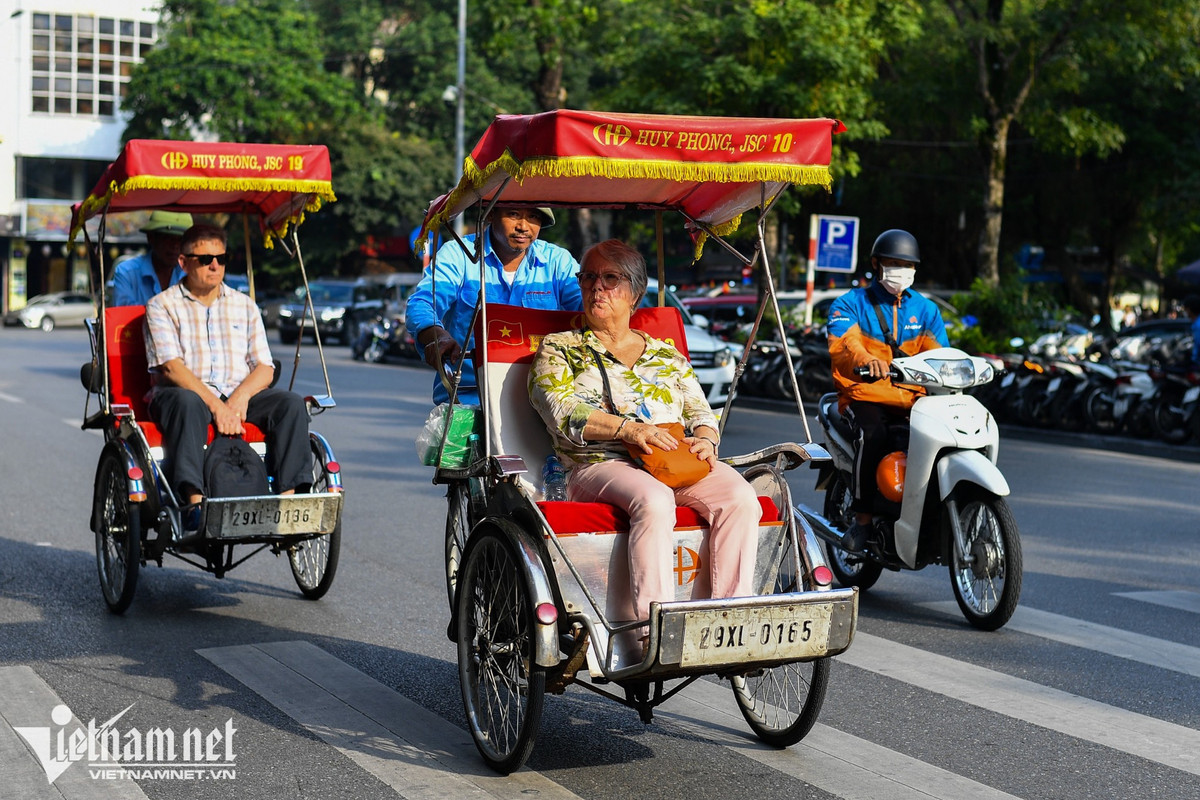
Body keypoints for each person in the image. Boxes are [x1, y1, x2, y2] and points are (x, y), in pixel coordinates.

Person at [528, 239, 761, 638]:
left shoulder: (666, 354)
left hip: (672, 458)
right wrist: (630, 430)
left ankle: (727, 619)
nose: (596, 287)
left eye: (610, 278)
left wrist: (706, 439)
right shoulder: (560, 348)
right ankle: (651, 629)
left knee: (741, 498)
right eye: (588, 277)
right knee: (654, 500)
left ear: (635, 292)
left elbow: (701, 413)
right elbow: (562, 411)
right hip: (599, 463)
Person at [144, 223, 309, 528]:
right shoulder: (161, 305)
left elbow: (264, 366)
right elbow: (171, 367)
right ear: (184, 262)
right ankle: (194, 503)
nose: (215, 265)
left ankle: (289, 504)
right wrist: (218, 406)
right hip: (183, 394)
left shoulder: (244, 306)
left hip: (237, 393)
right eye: (205, 259)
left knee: (291, 404)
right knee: (188, 403)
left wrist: (239, 398)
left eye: (221, 258)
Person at [826, 229, 950, 553]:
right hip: (864, 394)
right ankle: (863, 520)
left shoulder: (926, 310)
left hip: (912, 397)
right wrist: (866, 358)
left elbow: (940, 353)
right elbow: (844, 344)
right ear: (876, 264)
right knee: (874, 434)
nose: (900, 270)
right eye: (893, 263)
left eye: (906, 265)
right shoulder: (849, 304)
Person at [406, 206, 582, 405]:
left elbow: (586, 307)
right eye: (514, 214)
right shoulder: (458, 254)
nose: (523, 226)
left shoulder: (557, 261)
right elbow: (422, 303)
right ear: (490, 214)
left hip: (542, 397)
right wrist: (437, 335)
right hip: (470, 395)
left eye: (533, 217)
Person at [112, 210, 193, 306]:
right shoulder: (127, 272)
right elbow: (124, 314)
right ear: (151, 238)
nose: (175, 246)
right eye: (168, 238)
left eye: (181, 240)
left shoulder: (190, 273)